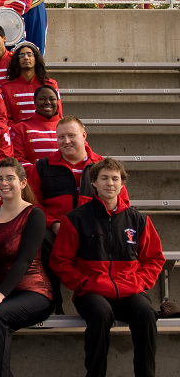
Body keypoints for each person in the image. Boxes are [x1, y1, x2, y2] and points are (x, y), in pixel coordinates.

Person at [50, 158, 164, 377]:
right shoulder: (75, 219)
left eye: (115, 178)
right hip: (92, 291)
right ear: (93, 182)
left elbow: (154, 259)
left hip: (129, 290)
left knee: (147, 314)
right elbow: (60, 261)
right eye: (104, 178)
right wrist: (84, 283)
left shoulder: (139, 220)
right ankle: (95, 376)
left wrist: (139, 282)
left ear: (122, 184)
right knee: (101, 314)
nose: (109, 183)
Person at [0, 158, 54, 377]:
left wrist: (0, 294)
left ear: (23, 183)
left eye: (10, 178)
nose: (4, 183)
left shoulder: (34, 214)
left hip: (33, 290)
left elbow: (24, 260)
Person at [33, 116, 130, 314]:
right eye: (61, 137)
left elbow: (123, 204)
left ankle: (105, 296)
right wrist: (53, 224)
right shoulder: (42, 166)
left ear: (84, 135)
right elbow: (33, 203)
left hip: (95, 231)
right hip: (57, 231)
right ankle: (52, 301)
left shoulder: (103, 166)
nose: (66, 141)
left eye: (71, 135)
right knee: (38, 236)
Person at [0, 42, 61, 123]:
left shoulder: (50, 84)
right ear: (17, 61)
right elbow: (6, 119)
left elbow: (58, 115)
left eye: (29, 54)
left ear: (36, 59)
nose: (26, 58)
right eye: (21, 55)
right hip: (19, 130)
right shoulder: (7, 88)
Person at [10, 85, 60, 164]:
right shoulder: (20, 128)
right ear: (34, 102)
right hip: (33, 171)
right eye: (42, 99)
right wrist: (38, 170)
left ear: (57, 102)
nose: (47, 102)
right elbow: (18, 160)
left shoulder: (69, 126)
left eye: (52, 99)